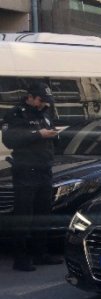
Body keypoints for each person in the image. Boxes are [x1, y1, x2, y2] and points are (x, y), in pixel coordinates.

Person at [1, 83, 63, 271]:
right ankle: (21, 258)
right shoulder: (16, 113)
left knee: (42, 214)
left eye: (46, 101)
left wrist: (53, 135)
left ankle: (40, 254)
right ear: (30, 97)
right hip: (25, 171)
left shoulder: (45, 113)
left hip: (44, 169)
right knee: (24, 216)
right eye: (41, 100)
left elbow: (49, 135)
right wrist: (38, 134)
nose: (43, 104)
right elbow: (10, 139)